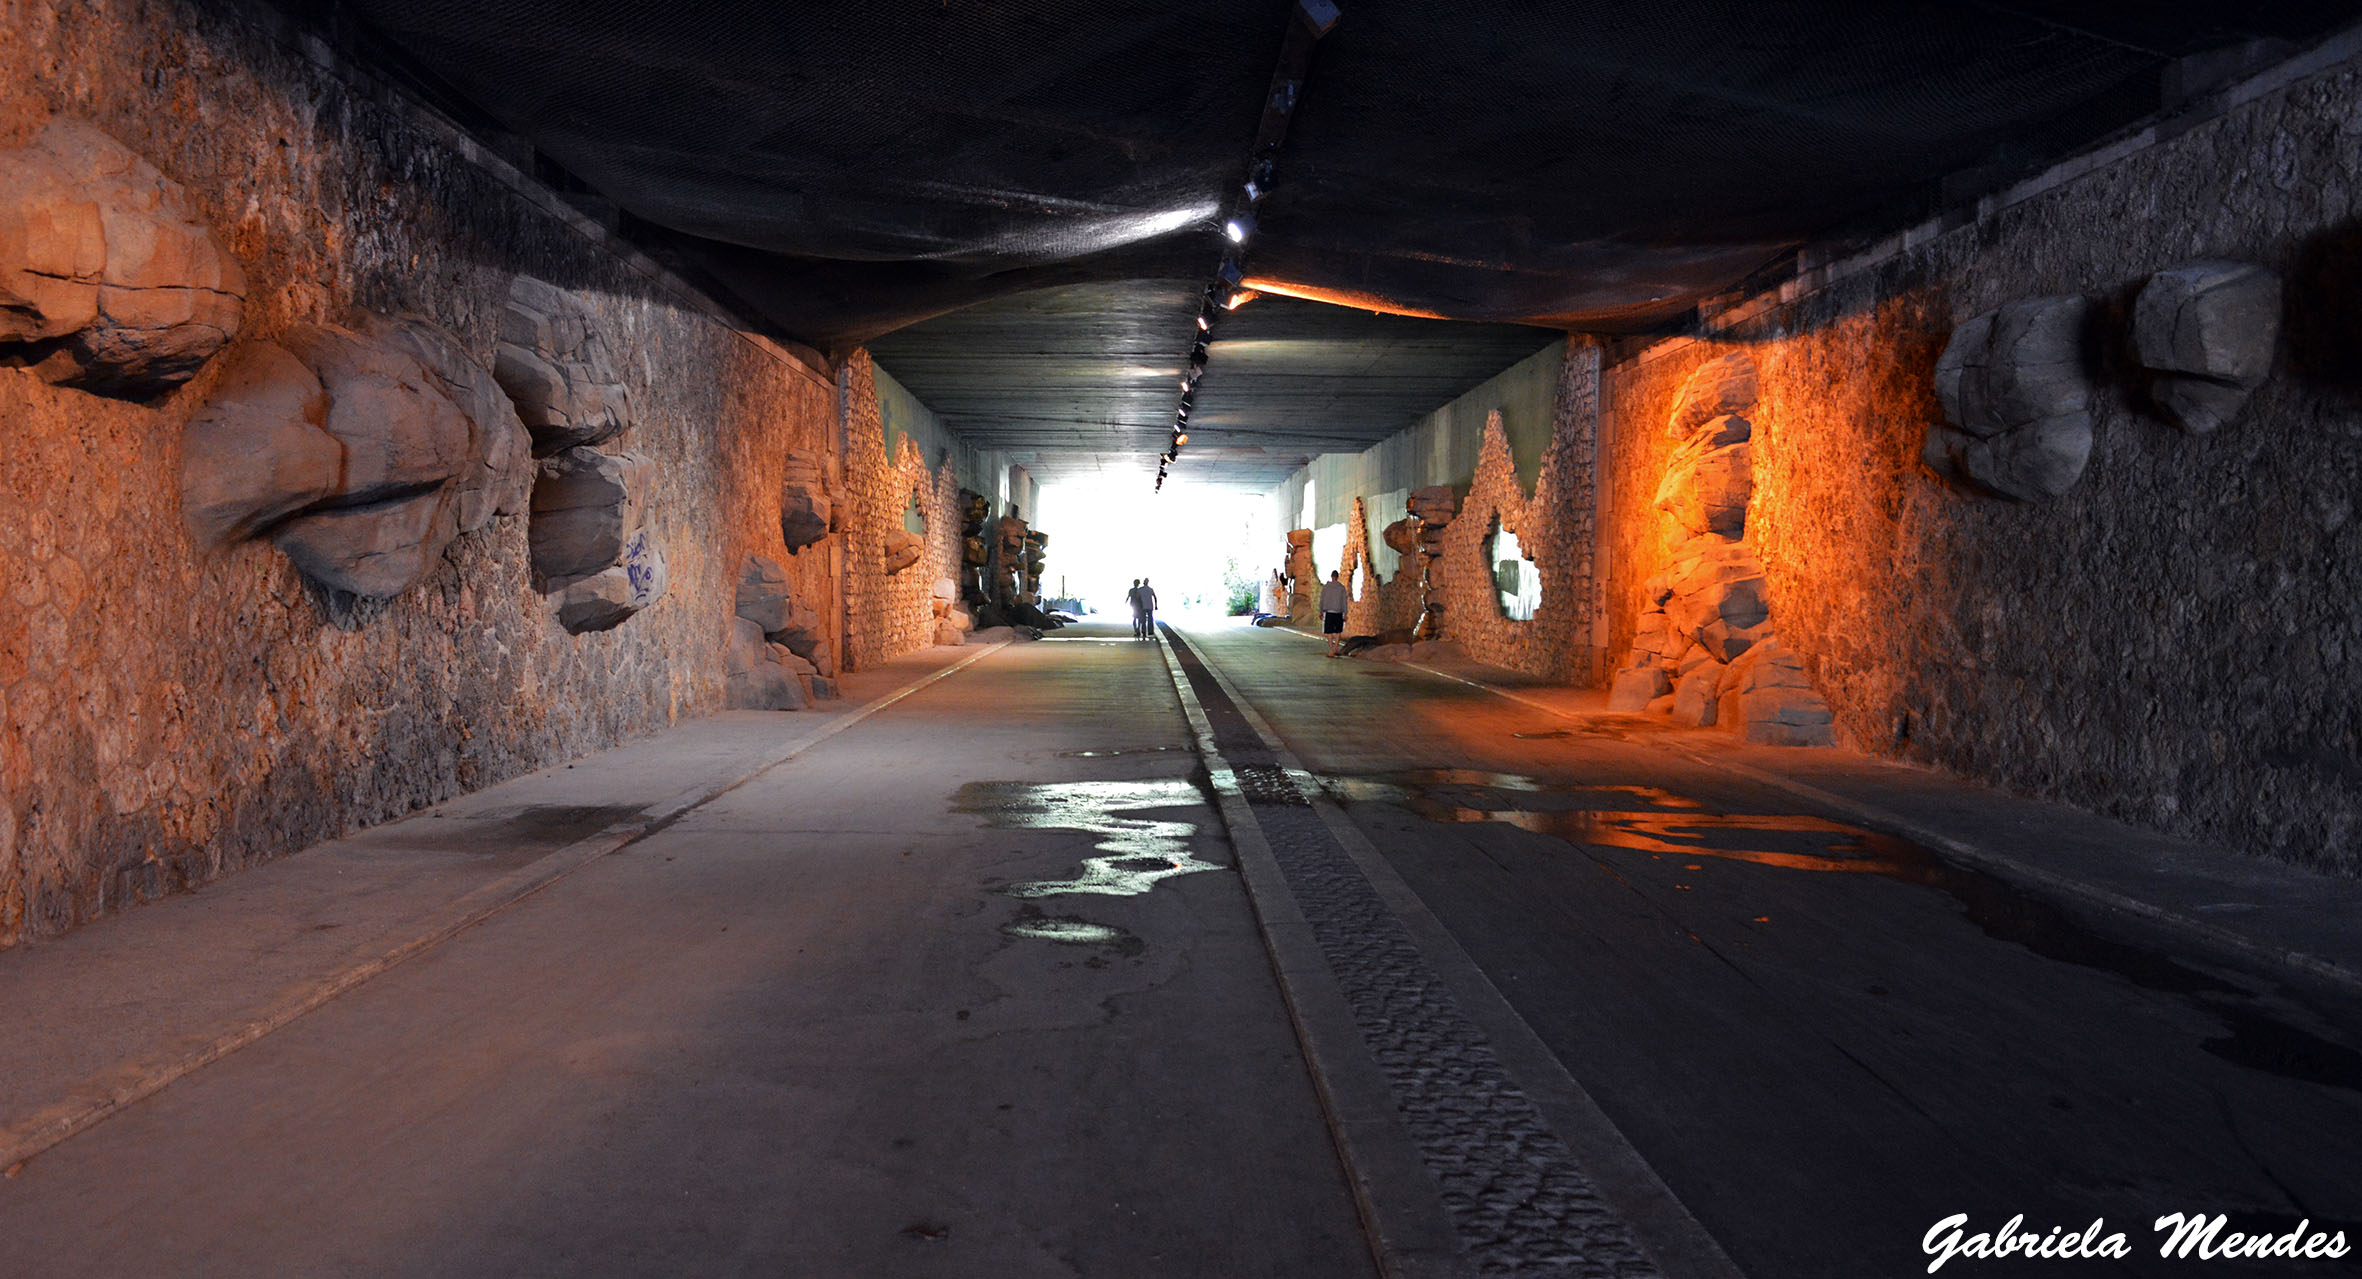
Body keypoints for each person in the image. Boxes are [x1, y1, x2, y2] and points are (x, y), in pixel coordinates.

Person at [1320, 570, 1349, 656]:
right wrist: (1345, 613)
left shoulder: (1326, 587)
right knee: (1338, 631)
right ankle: (1336, 648)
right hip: (1338, 612)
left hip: (1329, 612)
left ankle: (1331, 650)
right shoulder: (1342, 588)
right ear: (1338, 577)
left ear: (1331, 577)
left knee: (1329, 631)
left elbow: (1322, 599)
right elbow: (1344, 601)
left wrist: (1321, 611)